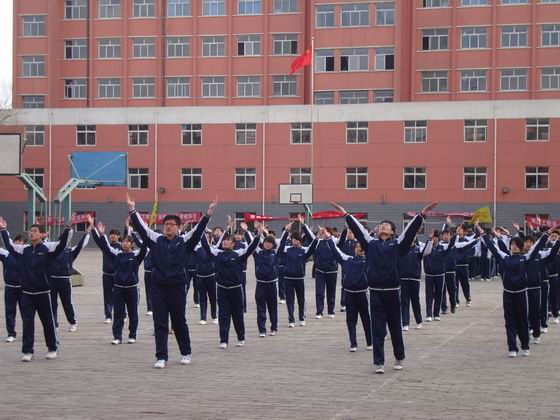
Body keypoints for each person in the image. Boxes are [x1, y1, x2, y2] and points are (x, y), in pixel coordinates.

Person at [331, 201, 437, 374]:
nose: (383, 227)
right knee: (378, 329)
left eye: (386, 225)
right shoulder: (370, 244)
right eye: (381, 225)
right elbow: (359, 230)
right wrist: (345, 214)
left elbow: (409, 231)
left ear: (393, 231)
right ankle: (379, 362)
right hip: (375, 293)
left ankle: (399, 357)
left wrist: (421, 215)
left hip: (392, 292)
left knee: (395, 327)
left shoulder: (398, 245)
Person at [127, 194, 216, 369]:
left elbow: (197, 231)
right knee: (160, 322)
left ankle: (185, 353)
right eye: (166, 224)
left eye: (171, 224)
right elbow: (142, 228)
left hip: (177, 287)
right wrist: (132, 210)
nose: (168, 226)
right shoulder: (156, 240)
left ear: (178, 227)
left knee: (179, 321)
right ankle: (161, 357)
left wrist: (208, 215)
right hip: (158, 287)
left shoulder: (184, 241)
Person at [477, 222, 557, 357]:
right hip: (508, 294)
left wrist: (548, 233)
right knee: (509, 321)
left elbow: (537, 247)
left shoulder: (526, 258)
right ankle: (512, 348)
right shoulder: (504, 258)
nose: (514, 246)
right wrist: (481, 231)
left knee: (522, 321)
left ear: (520, 247)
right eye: (512, 244)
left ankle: (525, 346)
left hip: (521, 294)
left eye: (516, 245)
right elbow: (492, 247)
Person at [0, 217, 71, 361]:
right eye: (30, 231)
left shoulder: (48, 249)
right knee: (27, 323)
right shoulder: (24, 250)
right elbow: (9, 245)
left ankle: (52, 348)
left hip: (43, 292)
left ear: (42, 234)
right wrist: (3, 230)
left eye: (35, 231)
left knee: (48, 322)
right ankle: (28, 351)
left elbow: (62, 244)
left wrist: (68, 229)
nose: (31, 233)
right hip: (27, 293)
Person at [201, 224, 260, 348]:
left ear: (233, 244)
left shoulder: (238, 254)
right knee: (223, 315)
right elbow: (206, 247)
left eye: (228, 240)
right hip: (222, 289)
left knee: (238, 315)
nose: (225, 242)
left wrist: (257, 235)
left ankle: (241, 338)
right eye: (224, 240)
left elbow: (251, 248)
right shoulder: (217, 253)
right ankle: (223, 340)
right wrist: (201, 232)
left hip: (236, 289)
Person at [92, 216, 148, 345]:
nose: (124, 243)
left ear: (132, 244)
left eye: (127, 242)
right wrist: (101, 234)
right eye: (123, 242)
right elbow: (106, 248)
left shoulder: (136, 255)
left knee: (133, 313)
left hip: (132, 289)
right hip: (118, 289)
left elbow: (145, 247)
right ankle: (117, 336)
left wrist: (144, 231)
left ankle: (132, 335)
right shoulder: (117, 254)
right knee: (118, 314)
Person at [326, 233, 372, 352]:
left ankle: (370, 342)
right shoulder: (348, 259)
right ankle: (353, 343)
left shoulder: (369, 260)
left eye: (360, 246)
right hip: (349, 294)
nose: (358, 248)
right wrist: (328, 238)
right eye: (356, 246)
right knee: (351, 320)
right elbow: (336, 251)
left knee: (366, 319)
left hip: (362, 293)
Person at [48, 225, 91, 332]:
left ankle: (72, 322)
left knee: (67, 303)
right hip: (52, 279)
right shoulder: (52, 250)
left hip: (65, 280)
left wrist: (87, 232)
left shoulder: (71, 251)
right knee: (52, 303)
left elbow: (81, 245)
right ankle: (54, 324)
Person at [277, 219, 318, 328]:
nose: (294, 240)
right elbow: (280, 247)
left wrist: (314, 235)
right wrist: (286, 231)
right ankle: (291, 319)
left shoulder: (304, 250)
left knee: (301, 300)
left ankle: (302, 318)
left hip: (300, 279)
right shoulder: (287, 249)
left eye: (296, 238)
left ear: (300, 240)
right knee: (290, 300)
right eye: (293, 238)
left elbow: (313, 246)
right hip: (288, 278)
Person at [252, 226, 280, 337]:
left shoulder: (275, 252)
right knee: (260, 308)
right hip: (260, 284)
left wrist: (266, 233)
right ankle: (262, 330)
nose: (267, 244)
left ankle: (274, 328)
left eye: (270, 243)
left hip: (272, 284)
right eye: (266, 242)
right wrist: (258, 234)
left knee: (272, 308)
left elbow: (280, 244)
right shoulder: (258, 252)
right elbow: (252, 244)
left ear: (273, 244)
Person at [310, 224, 339, 319]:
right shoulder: (318, 241)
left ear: (329, 233)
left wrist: (328, 235)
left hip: (332, 271)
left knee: (331, 292)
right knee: (319, 292)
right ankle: (319, 312)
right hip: (320, 271)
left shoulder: (334, 240)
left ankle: (331, 311)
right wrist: (304, 225)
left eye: (325, 232)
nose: (323, 234)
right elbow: (311, 242)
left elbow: (342, 240)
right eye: (322, 232)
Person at [0, 235, 26, 342]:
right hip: (10, 287)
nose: (18, 243)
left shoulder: (26, 253)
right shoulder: (6, 254)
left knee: (25, 312)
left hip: (23, 288)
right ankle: (11, 334)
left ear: (24, 244)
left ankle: (27, 333)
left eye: (20, 241)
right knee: (10, 311)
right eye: (16, 241)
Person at [399, 238, 425, 330]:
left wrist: (430, 240)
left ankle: (419, 321)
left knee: (415, 301)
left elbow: (427, 251)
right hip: (403, 278)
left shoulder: (419, 249)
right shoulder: (401, 249)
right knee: (404, 301)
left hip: (415, 278)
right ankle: (405, 323)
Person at [194, 230, 218, 325]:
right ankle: (203, 318)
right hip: (200, 277)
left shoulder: (213, 248)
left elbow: (220, 242)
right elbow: (189, 241)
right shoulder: (197, 248)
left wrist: (227, 230)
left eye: (208, 237)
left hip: (211, 276)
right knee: (202, 298)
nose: (206, 239)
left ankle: (214, 316)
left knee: (213, 297)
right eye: (204, 237)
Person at [338, 227, 357, 312]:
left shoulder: (356, 243)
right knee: (344, 284)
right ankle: (343, 303)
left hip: (355, 265)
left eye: (351, 233)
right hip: (345, 266)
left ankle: (354, 302)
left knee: (355, 284)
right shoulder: (343, 243)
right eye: (348, 233)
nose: (350, 234)